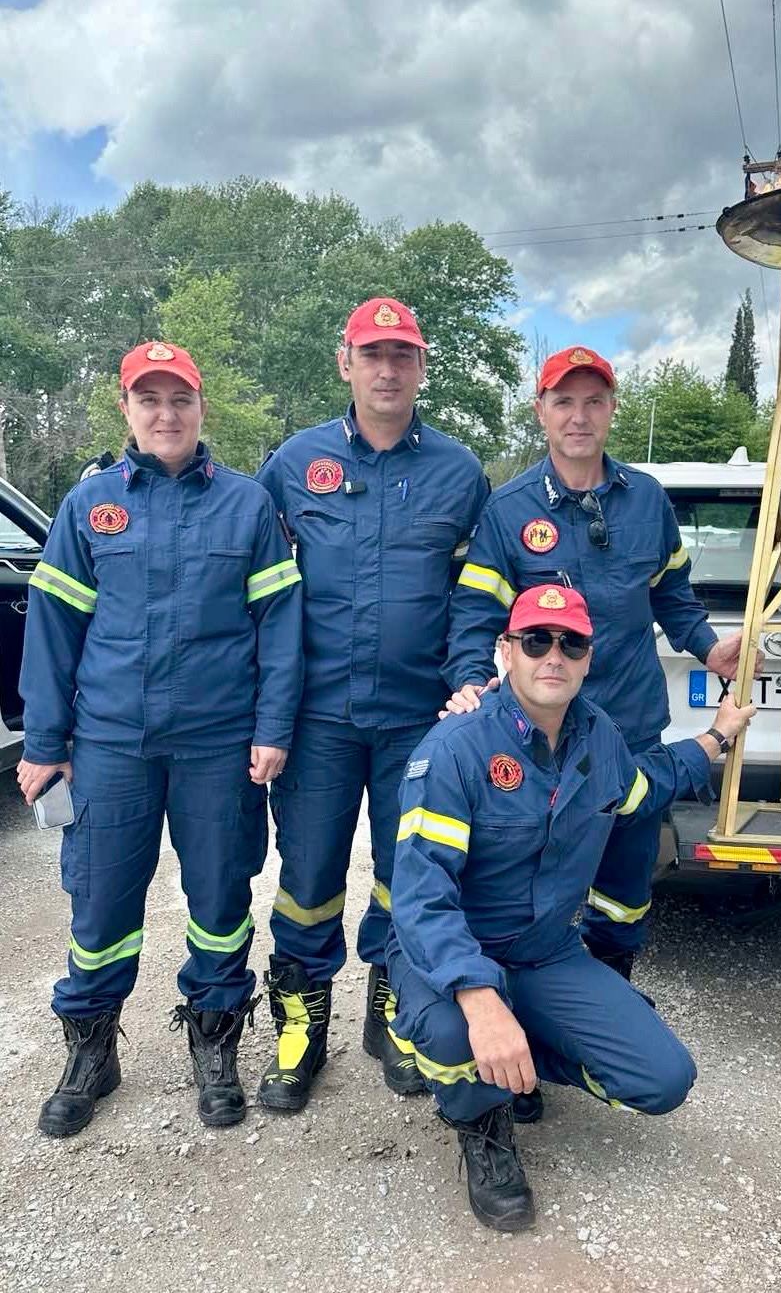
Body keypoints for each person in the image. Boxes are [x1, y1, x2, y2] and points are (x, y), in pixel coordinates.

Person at [388, 583, 755, 1231]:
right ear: (507, 651)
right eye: (536, 640)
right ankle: (481, 1120)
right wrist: (479, 1000)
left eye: (571, 643)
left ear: (588, 658)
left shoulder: (598, 737)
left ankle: (514, 1063)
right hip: (451, 958)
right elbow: (422, 898)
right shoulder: (454, 749)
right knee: (452, 1033)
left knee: (662, 1079)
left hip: (544, 953)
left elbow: (643, 787)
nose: (553, 654)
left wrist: (716, 737)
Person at [17, 340, 303, 1136]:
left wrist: (273, 726)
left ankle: (215, 1043)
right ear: (127, 409)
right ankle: (90, 1050)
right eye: (150, 399)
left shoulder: (247, 505)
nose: (166, 413)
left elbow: (280, 626)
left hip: (219, 743)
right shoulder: (90, 506)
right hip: (111, 742)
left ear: (201, 407)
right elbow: (53, 628)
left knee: (219, 899)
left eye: (180, 398)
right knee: (100, 902)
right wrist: (45, 740)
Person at [445, 345, 751, 985]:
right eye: (564, 402)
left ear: (612, 409)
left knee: (623, 884)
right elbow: (475, 612)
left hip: (630, 725)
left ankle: (610, 986)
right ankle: (520, 1001)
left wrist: (707, 646)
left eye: (593, 402)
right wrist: (471, 680)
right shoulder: (508, 510)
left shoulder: (648, 501)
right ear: (541, 411)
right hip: (538, 734)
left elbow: (671, 595)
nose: (578, 417)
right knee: (525, 877)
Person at [255, 296, 488, 1108]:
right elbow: (257, 588)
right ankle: (300, 1027)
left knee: (408, 875)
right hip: (316, 717)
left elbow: (475, 597)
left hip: (419, 721)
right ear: (344, 363)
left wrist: (470, 676)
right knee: (307, 875)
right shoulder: (294, 463)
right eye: (372, 354)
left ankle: (394, 1013)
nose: (387, 369)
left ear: (421, 367)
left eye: (402, 355)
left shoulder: (459, 472)